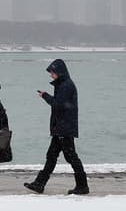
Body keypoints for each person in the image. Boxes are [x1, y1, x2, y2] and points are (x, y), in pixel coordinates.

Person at [24, 58, 89, 194]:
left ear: (59, 72)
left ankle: (82, 185)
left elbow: (58, 104)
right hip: (61, 127)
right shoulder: (63, 84)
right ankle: (39, 184)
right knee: (52, 156)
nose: (51, 75)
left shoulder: (66, 85)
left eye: (52, 72)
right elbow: (60, 104)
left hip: (64, 128)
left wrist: (45, 96)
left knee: (70, 157)